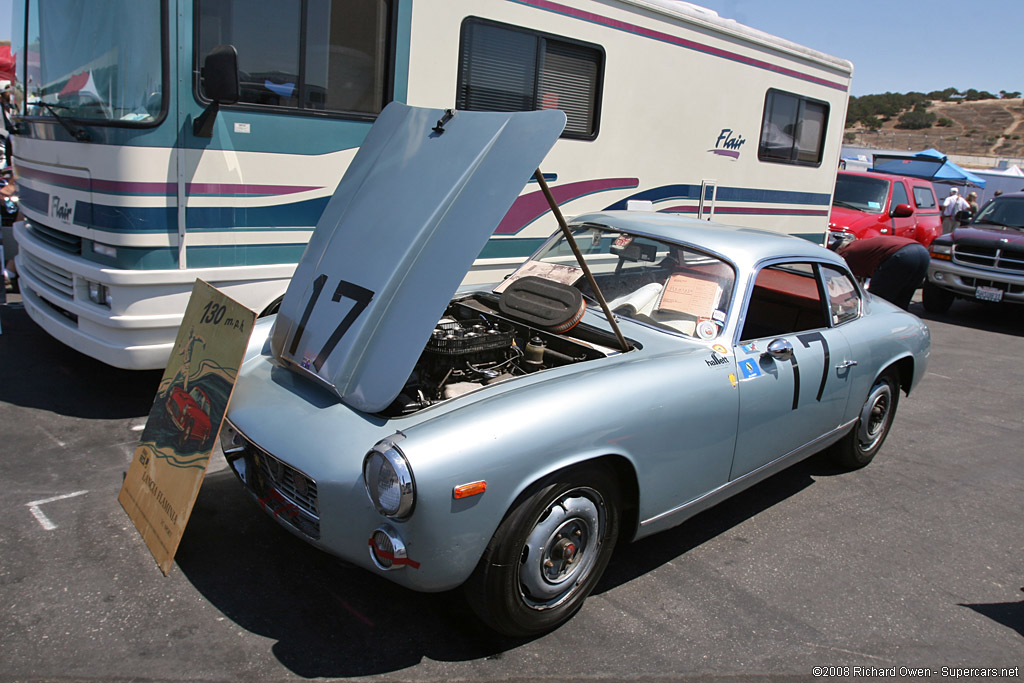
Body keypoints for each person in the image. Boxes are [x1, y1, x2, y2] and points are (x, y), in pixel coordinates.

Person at [835, 235, 930, 310]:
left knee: (878, 301)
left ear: (839, 249)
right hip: (923, 253)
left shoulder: (846, 253)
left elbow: (844, 280)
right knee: (901, 301)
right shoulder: (862, 246)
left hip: (901, 256)